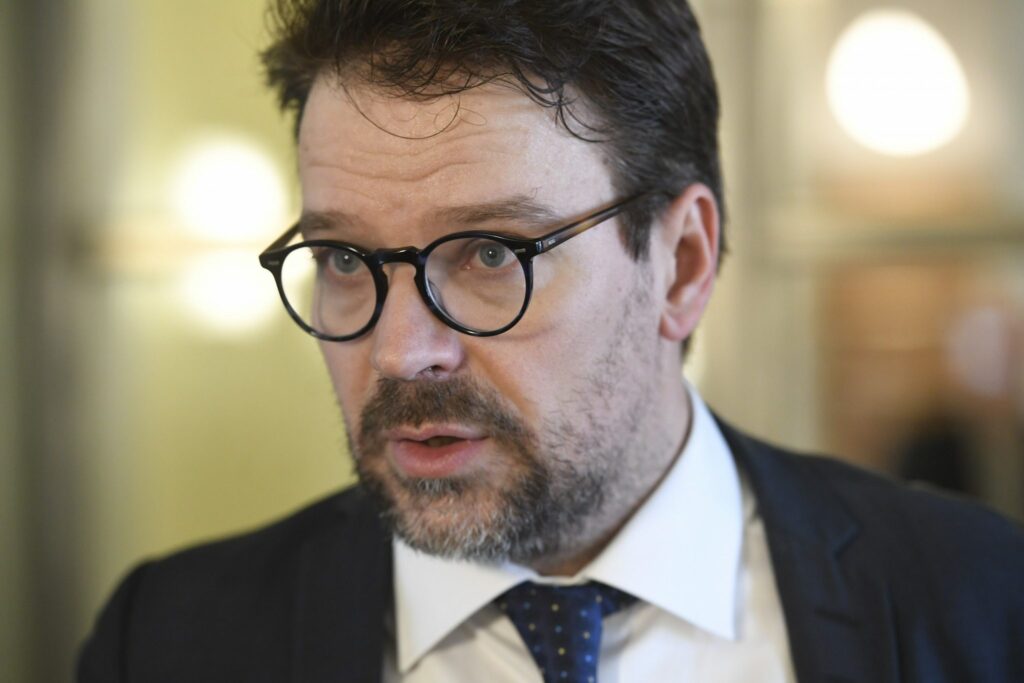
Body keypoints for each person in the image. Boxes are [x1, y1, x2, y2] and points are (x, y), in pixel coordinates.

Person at [78, 1, 1024, 681]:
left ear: (682, 264)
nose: (402, 351)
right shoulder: (168, 640)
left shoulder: (981, 601)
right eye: (343, 258)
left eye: (491, 252)